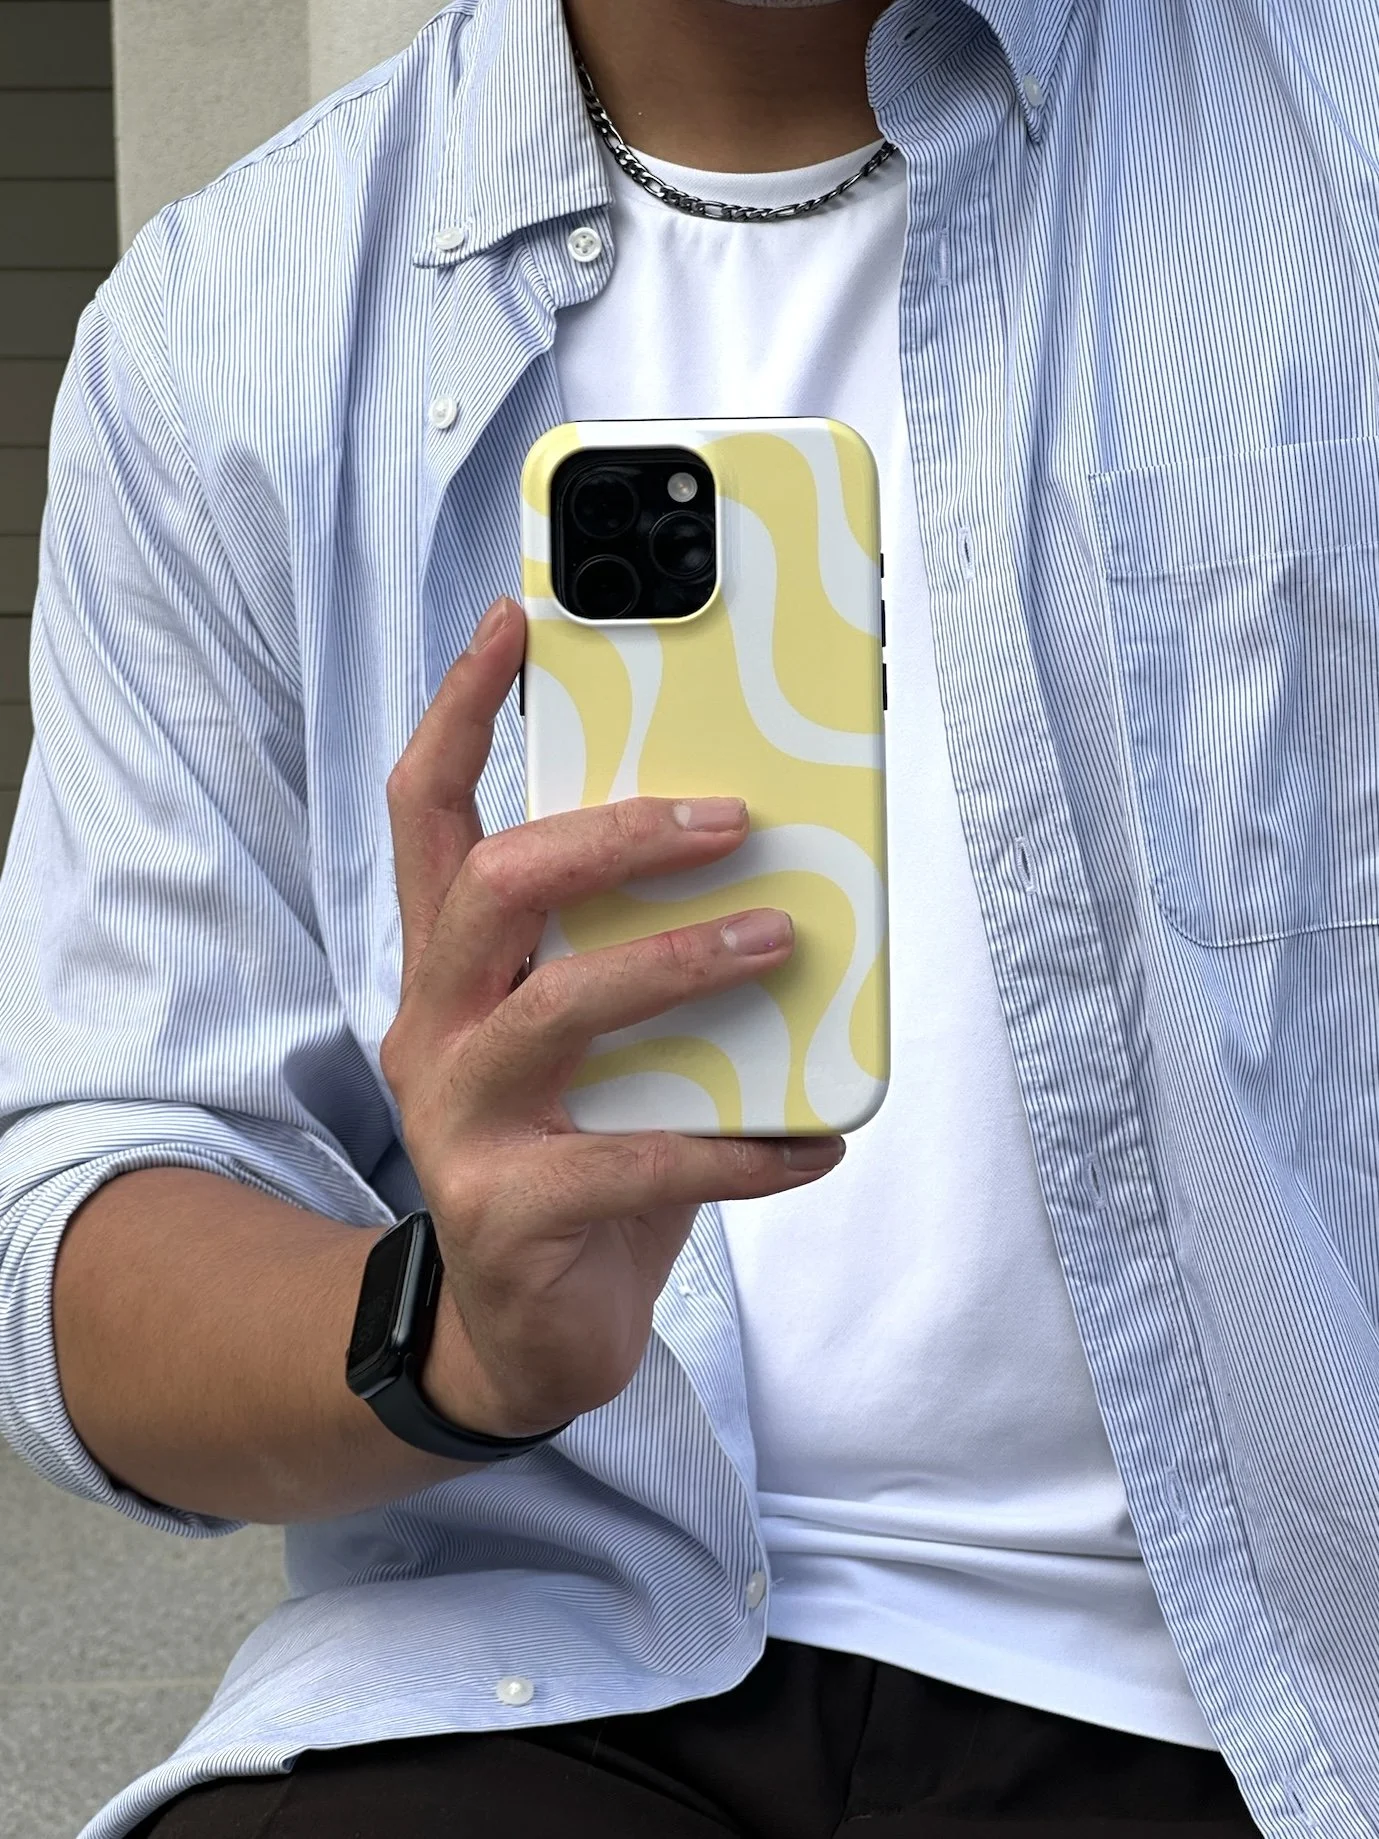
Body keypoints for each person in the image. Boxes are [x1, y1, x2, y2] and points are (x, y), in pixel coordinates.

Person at [1, 0, 1376, 1831]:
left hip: (1273, 1702)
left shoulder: (1332, 149)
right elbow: (87, 1224)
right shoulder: (225, 335)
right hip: (528, 1682)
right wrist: (450, 1326)